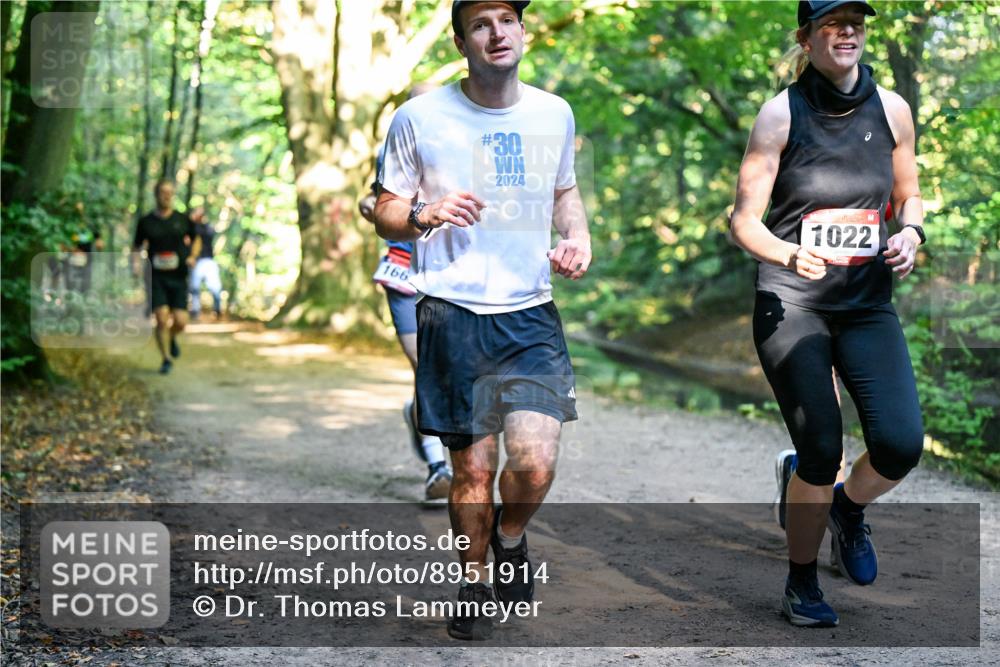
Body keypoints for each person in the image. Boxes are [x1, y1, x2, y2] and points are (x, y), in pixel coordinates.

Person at [374, 0, 591, 640]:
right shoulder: (419, 117)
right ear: (462, 39)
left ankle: (512, 534)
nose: (497, 33)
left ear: (523, 31)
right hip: (451, 312)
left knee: (536, 463)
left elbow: (564, 192)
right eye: (480, 23)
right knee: (471, 470)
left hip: (530, 314)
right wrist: (423, 213)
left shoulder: (553, 112)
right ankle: (473, 582)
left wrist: (576, 237)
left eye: (506, 20)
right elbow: (385, 207)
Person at [731, 0, 926, 628]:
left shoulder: (892, 109)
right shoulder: (780, 114)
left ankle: (845, 508)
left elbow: (909, 195)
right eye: (831, 24)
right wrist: (790, 252)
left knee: (899, 444)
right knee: (818, 446)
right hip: (792, 301)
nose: (846, 34)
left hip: (866, 304)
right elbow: (743, 222)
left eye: (855, 25)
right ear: (807, 37)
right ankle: (801, 583)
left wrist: (912, 235)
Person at [359, 110, 454, 505]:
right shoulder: (395, 150)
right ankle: (438, 468)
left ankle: (416, 415)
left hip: (451, 276)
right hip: (402, 276)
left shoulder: (459, 147)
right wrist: (375, 210)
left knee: (450, 372)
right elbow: (372, 199)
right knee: (426, 368)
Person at [133, 180, 200, 375]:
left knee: (180, 321)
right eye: (163, 192)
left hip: (179, 277)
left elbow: (196, 239)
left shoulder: (182, 219)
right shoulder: (145, 222)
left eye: (170, 193)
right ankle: (166, 359)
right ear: (156, 194)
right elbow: (136, 247)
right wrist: (136, 265)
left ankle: (172, 338)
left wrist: (193, 257)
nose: (166, 196)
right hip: (156, 277)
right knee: (161, 318)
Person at [188, 206, 223, 321]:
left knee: (215, 288)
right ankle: (195, 311)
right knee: (194, 288)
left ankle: (217, 310)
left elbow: (209, 234)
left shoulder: (207, 228)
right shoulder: (191, 228)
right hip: (196, 261)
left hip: (208, 261)